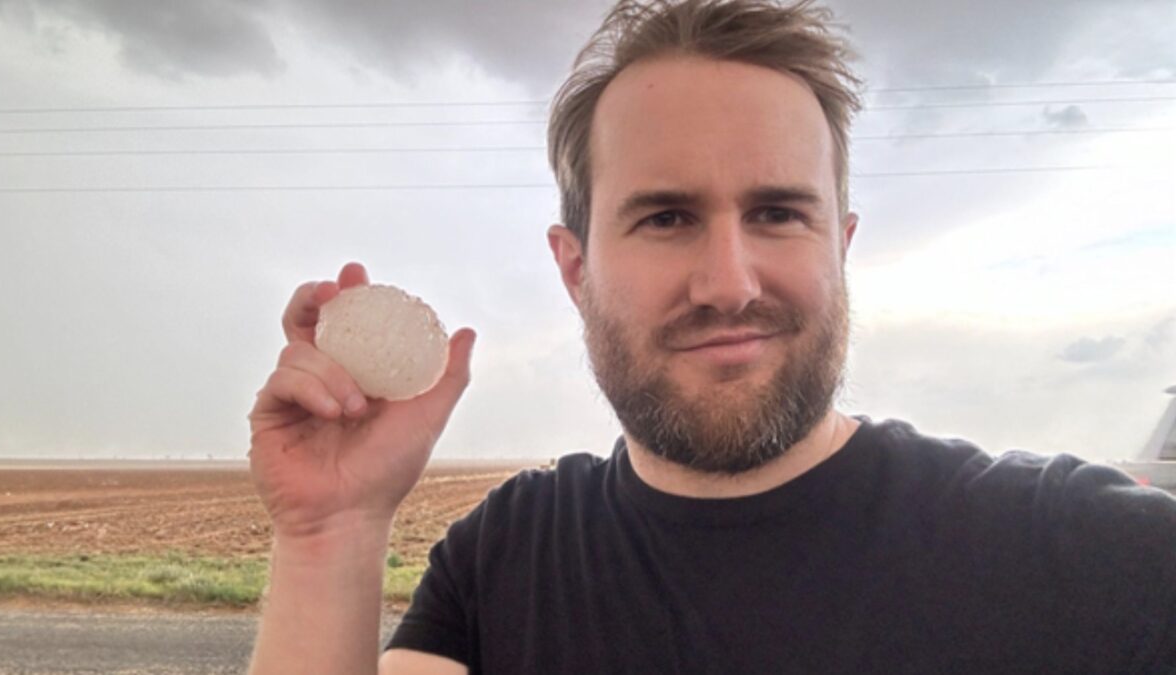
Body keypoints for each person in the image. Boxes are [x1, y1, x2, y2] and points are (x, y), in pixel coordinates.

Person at [245, 0, 1176, 673]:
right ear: (575, 270)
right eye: (665, 218)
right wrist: (331, 531)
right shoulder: (506, 564)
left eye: (777, 212)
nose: (729, 283)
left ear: (840, 245)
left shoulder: (1072, 549)